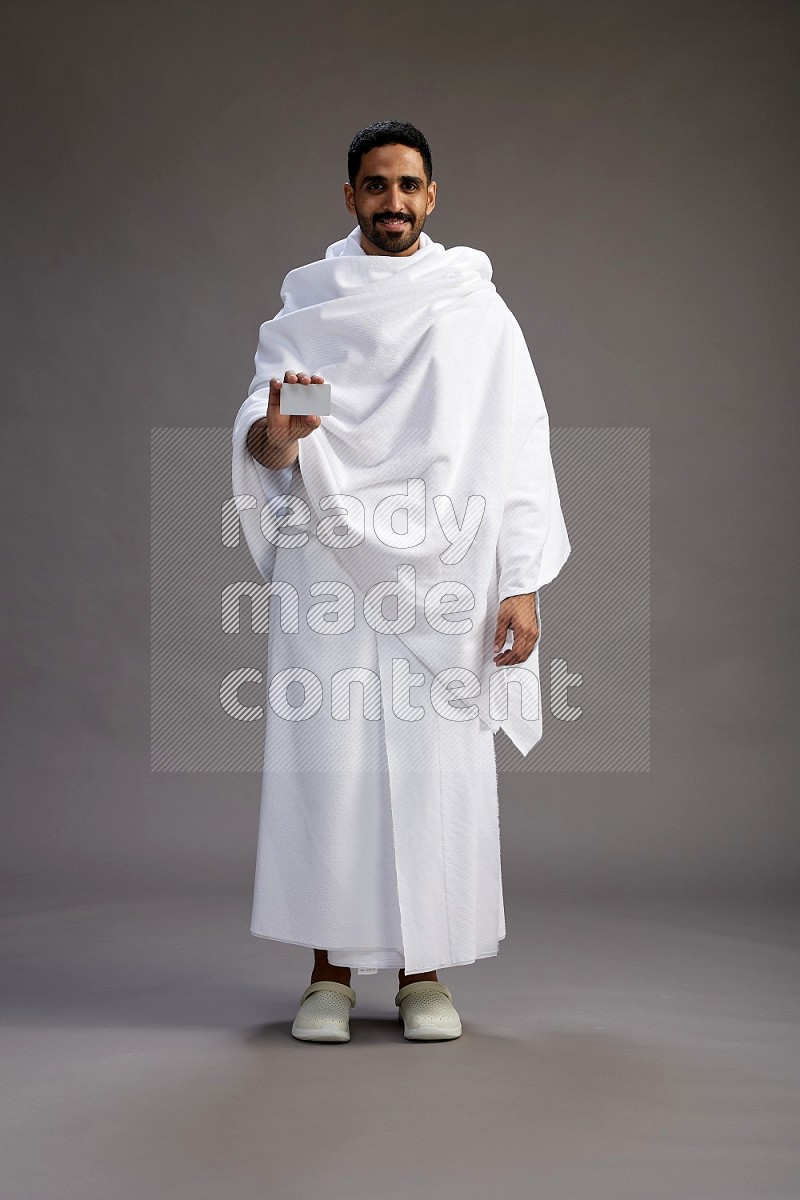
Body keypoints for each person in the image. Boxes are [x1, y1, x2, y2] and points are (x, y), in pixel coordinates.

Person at [231, 120, 570, 1043]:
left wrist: (523, 578)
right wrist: (282, 436)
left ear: (432, 195)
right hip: (330, 562)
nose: (393, 202)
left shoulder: (475, 308)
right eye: (375, 187)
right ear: (350, 197)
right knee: (327, 764)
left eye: (408, 186)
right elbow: (264, 448)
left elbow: (519, 445)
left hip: (449, 567)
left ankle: (425, 974)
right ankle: (327, 977)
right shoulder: (308, 304)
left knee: (434, 769)